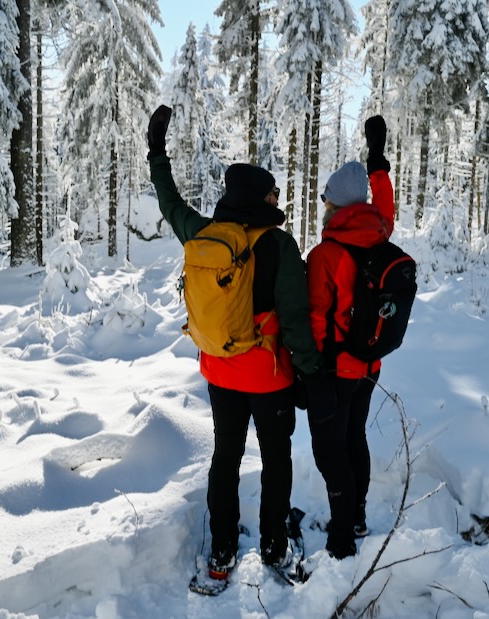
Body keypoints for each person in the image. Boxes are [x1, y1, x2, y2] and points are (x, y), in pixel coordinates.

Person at [145, 105, 331, 579]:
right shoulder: (278, 245)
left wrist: (156, 152)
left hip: (220, 372)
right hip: (268, 378)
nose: (276, 199)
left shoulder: (206, 233)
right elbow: (294, 318)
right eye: (273, 193)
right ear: (260, 196)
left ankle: (223, 550)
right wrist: (309, 372)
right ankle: (273, 547)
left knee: (225, 458)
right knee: (275, 460)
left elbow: (170, 205)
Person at [304, 115, 394, 559]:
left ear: (335, 206)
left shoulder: (326, 254)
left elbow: (318, 318)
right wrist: (377, 158)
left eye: (326, 202)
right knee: (354, 437)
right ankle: (355, 516)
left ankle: (341, 538)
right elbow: (387, 205)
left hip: (337, 368)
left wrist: (314, 372)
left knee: (329, 450)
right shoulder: (379, 233)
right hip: (370, 365)